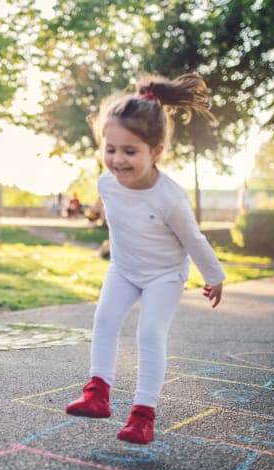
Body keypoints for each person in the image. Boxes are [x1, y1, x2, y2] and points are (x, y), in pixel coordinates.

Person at [66, 73, 226, 445]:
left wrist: (214, 276)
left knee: (150, 333)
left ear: (156, 152)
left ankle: (142, 415)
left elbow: (193, 239)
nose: (117, 160)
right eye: (110, 149)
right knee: (104, 319)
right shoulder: (106, 184)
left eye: (130, 151)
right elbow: (121, 224)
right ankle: (97, 394)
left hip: (164, 275)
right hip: (124, 269)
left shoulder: (170, 197)